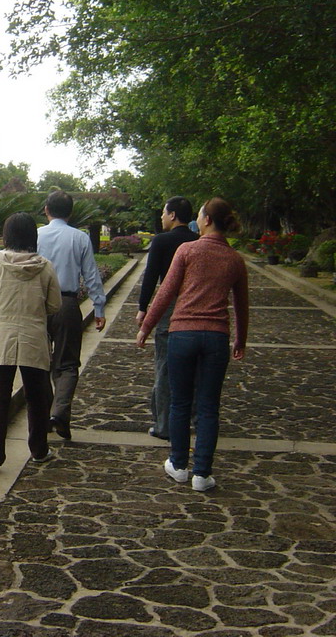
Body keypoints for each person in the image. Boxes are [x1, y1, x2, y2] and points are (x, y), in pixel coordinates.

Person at [137, 197, 249, 492]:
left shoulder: (187, 250)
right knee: (209, 406)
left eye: (200, 215)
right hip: (216, 337)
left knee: (180, 402)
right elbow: (241, 305)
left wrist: (146, 326)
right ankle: (202, 473)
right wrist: (241, 339)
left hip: (182, 334)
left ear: (207, 220)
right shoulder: (235, 259)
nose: (197, 220)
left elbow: (166, 292)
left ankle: (178, 464)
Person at [0, 212, 61, 474]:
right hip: (34, 338)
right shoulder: (45, 266)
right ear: (32, 236)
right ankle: (39, 450)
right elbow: (54, 305)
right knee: (38, 397)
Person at [37, 190, 106, 441]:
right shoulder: (80, 238)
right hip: (67, 304)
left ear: (46, 209)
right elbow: (91, 275)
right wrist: (98, 307)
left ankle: (43, 417)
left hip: (38, 305)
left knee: (39, 364)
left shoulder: (36, 235)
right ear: (71, 213)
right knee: (67, 364)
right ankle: (60, 413)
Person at [136, 196, 199, 440]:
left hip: (169, 305)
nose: (162, 217)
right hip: (192, 304)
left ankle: (163, 423)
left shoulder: (161, 241)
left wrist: (143, 308)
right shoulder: (197, 241)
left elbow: (151, 276)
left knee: (164, 364)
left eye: (164, 213)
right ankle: (192, 418)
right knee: (193, 366)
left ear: (172, 215)